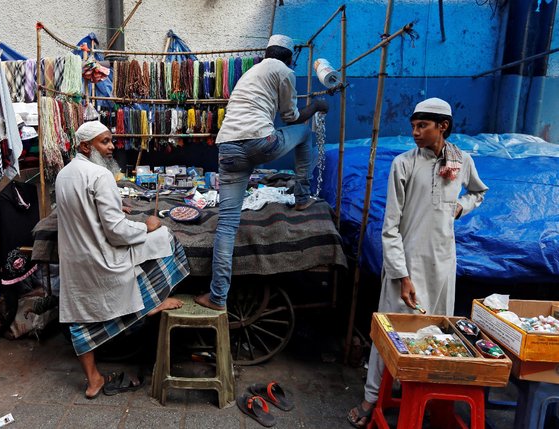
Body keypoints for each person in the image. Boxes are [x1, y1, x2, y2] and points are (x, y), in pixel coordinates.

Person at [347, 98, 489, 427]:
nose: (415, 132)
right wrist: (401, 275)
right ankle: (371, 398)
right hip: (406, 264)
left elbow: (478, 192)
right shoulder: (404, 164)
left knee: (437, 334)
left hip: (442, 263)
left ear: (443, 126)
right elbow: (390, 227)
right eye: (413, 126)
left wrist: (459, 208)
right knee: (389, 335)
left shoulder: (462, 161)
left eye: (422, 126)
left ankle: (425, 396)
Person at [55, 121, 190, 399]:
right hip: (103, 257)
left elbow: (84, 212)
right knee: (166, 238)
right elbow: (117, 232)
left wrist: (117, 206)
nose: (111, 147)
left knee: (80, 317)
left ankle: (93, 380)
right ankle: (151, 303)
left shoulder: (63, 175)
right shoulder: (100, 176)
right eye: (104, 142)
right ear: (85, 146)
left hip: (75, 262)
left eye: (110, 141)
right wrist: (147, 226)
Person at [195, 34, 329, 311]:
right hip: (260, 141)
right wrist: (316, 106)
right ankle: (302, 195)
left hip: (228, 148)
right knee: (304, 133)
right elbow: (290, 117)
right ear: (289, 58)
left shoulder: (250, 73)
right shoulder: (284, 71)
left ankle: (218, 296)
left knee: (227, 225)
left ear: (267, 52)